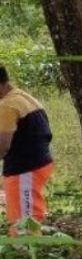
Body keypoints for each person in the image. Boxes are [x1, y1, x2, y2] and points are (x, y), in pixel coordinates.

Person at [0, 65, 54, 235]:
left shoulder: (7, 106)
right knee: (26, 217)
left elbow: (2, 146)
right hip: (36, 165)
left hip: (25, 169)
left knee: (24, 222)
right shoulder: (23, 97)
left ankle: (29, 258)